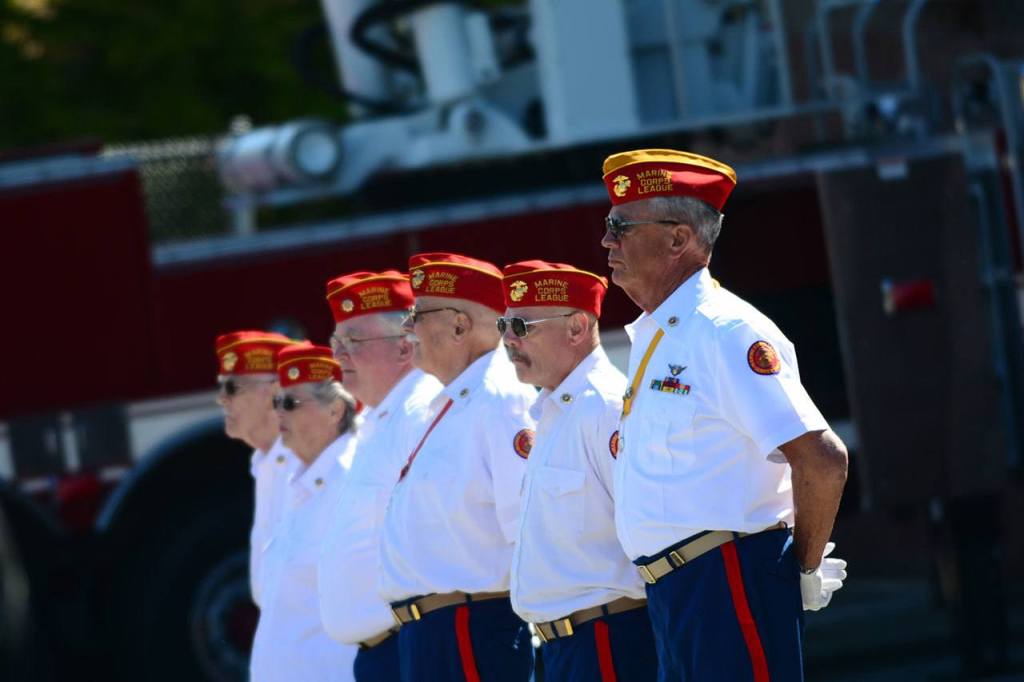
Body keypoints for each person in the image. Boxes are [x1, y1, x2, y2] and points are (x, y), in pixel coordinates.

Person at [600, 149, 849, 681]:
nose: (607, 241)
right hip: (678, 593)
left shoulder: (724, 330)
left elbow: (822, 460)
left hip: (727, 582)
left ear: (677, 239)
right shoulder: (664, 335)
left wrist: (801, 570)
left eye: (620, 226)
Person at [379, 252, 536, 682]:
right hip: (437, 631)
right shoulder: (454, 401)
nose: (408, 326)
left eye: (417, 314)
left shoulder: (499, 399)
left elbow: (525, 527)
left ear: (460, 326)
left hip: (472, 627)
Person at [502, 260, 658, 681]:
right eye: (503, 326)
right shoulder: (556, 411)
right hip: (568, 646)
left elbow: (650, 532)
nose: (509, 341)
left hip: (608, 641)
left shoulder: (604, 406)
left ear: (575, 327)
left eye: (520, 324)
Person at [318, 270, 442, 681]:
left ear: (406, 348)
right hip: (384, 652)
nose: (339, 356)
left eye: (353, 342)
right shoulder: (378, 419)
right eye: (336, 343)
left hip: (408, 643)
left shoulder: (419, 413)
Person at [249, 343, 359, 682]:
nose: (279, 413)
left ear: (335, 410)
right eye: (276, 402)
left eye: (291, 402)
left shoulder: (353, 480)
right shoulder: (296, 483)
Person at [214, 330, 299, 606]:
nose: (222, 399)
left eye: (233, 387)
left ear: (274, 392)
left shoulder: (304, 468)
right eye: (221, 386)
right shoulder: (265, 465)